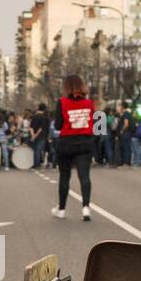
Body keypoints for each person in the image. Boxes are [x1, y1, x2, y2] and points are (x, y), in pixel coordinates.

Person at [51, 74, 96, 221]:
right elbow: (96, 124)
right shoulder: (90, 103)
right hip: (84, 142)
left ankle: (62, 209)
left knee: (64, 177)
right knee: (84, 176)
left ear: (66, 87)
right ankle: (86, 208)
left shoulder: (62, 102)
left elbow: (57, 125)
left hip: (66, 143)